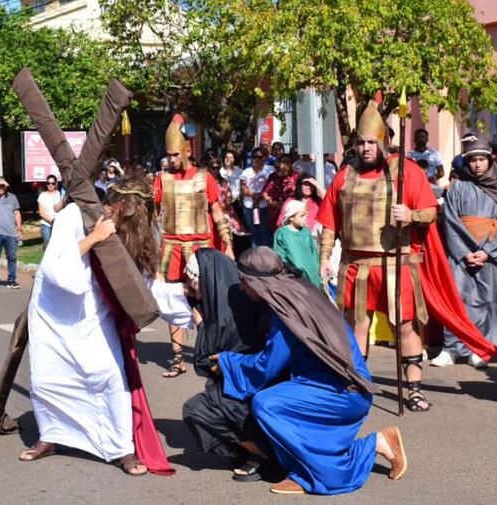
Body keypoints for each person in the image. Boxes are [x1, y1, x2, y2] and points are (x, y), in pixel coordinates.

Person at [317, 100, 497, 412]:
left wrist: (411, 215)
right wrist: (323, 259)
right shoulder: (344, 177)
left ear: (383, 141)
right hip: (356, 265)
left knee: (406, 326)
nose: (365, 148)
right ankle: (357, 384)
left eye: (371, 142)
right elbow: (330, 222)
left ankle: (413, 388)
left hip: (397, 264)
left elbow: (431, 212)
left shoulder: (406, 173)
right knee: (357, 326)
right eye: (360, 143)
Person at [211, 247, 407, 495]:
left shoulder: (286, 312)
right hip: (339, 386)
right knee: (281, 400)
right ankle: (380, 442)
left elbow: (266, 366)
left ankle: (327, 467)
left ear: (258, 282)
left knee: (267, 403)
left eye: (243, 280)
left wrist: (230, 362)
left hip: (344, 393)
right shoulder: (297, 290)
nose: (241, 288)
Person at [21, 176, 173, 476]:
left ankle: (121, 448)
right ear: (122, 205)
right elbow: (55, 268)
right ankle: (52, 435)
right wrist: (93, 238)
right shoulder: (72, 216)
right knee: (48, 379)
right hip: (56, 311)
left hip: (96, 311)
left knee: (109, 377)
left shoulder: (127, 231)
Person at [154, 114, 234, 378]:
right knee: (173, 302)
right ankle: (177, 358)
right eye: (168, 154)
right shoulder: (161, 179)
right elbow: (153, 216)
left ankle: (211, 351)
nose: (172, 159)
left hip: (200, 248)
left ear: (187, 150)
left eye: (176, 154)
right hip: (171, 249)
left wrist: (228, 245)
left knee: (206, 302)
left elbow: (217, 211)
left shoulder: (204, 178)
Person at [181, 248, 271, 482]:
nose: (189, 289)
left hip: (249, 389)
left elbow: (203, 363)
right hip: (243, 384)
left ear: (208, 280)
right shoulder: (225, 301)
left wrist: (201, 327)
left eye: (192, 284)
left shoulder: (227, 317)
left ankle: (260, 453)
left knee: (197, 409)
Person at [433, 139, 497, 368]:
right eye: (473, 160)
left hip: (489, 254)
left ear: (489, 161)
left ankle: (478, 348)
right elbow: (450, 221)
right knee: (457, 298)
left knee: (485, 300)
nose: (477, 164)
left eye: (482, 159)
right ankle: (451, 349)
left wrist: (488, 253)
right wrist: (464, 251)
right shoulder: (458, 186)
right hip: (461, 254)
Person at [273, 200, 320, 286]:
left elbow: (314, 253)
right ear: (291, 217)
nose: (306, 218)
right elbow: (279, 255)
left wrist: (319, 270)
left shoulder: (306, 232)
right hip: (296, 278)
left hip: (313, 275)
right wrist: (288, 267)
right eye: (302, 216)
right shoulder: (282, 233)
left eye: (306, 215)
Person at [240, 147, 275, 247]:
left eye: (259, 157)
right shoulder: (246, 172)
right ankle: (256, 258)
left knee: (266, 232)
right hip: (250, 206)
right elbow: (243, 189)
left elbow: (272, 186)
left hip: (265, 205)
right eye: (254, 157)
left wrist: (261, 195)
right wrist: (255, 195)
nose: (257, 159)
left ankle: (267, 257)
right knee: (254, 234)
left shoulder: (270, 170)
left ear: (264, 157)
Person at [262, 154, 299, 231]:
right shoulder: (273, 176)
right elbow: (264, 193)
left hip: (291, 211)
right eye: (283, 162)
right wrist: (273, 203)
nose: (285, 164)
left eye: (288, 162)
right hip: (275, 211)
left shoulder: (296, 176)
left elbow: (300, 193)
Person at [37, 174, 63, 250]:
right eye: (48, 183)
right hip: (46, 224)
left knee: (58, 246)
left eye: (52, 183)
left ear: (56, 184)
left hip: (58, 224)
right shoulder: (42, 196)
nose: (50, 185)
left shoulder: (60, 194)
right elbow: (41, 213)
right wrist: (52, 221)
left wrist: (57, 222)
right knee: (47, 246)